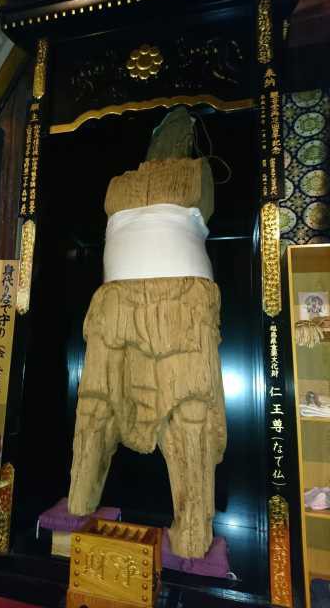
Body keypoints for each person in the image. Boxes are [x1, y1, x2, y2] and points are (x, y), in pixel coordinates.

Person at [68, 107, 227, 558]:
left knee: (187, 412)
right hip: (124, 300)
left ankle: (191, 531)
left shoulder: (188, 175)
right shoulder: (124, 184)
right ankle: (81, 499)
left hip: (177, 301)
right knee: (98, 405)